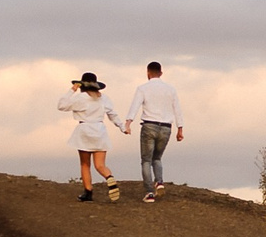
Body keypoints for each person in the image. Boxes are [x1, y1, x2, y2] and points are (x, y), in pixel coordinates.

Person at [122, 61, 187, 203]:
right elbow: (177, 109)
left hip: (149, 125)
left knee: (146, 160)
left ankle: (150, 193)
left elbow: (135, 106)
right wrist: (180, 129)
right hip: (166, 127)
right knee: (157, 158)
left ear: (148, 72)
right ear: (161, 73)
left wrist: (128, 123)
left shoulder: (143, 88)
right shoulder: (170, 89)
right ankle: (159, 182)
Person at [56, 72, 125, 202]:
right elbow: (113, 115)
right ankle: (109, 176)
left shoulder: (81, 98)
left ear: (82, 85)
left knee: (85, 164)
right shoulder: (104, 98)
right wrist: (122, 127)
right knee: (100, 165)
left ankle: (88, 192)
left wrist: (72, 90)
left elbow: (61, 105)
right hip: (100, 130)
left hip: (85, 130)